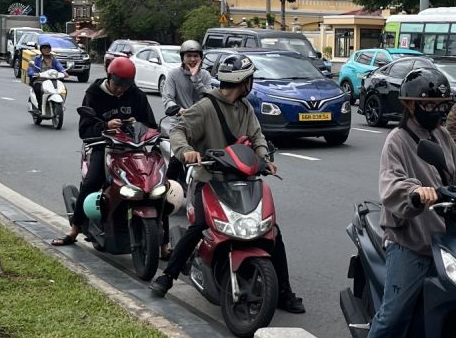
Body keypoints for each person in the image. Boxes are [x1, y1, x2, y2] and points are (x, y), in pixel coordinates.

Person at [149, 52, 305, 312]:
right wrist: (185, 150)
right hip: (210, 181)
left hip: (243, 181)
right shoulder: (205, 107)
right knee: (198, 226)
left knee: (271, 232)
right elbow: (178, 130)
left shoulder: (245, 109)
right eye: (250, 79)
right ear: (244, 82)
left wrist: (264, 158)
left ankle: (284, 291)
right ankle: (167, 277)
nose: (251, 84)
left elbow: (257, 137)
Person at [361, 68, 456, 338]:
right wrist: (415, 193)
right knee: (394, 314)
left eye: (441, 105)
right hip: (411, 240)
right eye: (429, 105)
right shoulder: (397, 140)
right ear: (410, 105)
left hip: (448, 239)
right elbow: (391, 183)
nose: (436, 111)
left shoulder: (443, 137)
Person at [52, 55, 156, 245]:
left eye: (125, 86)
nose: (120, 89)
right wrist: (106, 125)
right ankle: (74, 229)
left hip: (132, 149)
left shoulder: (137, 95)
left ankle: (163, 243)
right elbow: (84, 130)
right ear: (109, 77)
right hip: (104, 147)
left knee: (154, 186)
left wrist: (138, 124)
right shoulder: (94, 94)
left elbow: (151, 124)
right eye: (117, 85)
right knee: (92, 182)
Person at [164, 40, 215, 113]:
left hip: (200, 118)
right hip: (180, 120)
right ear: (183, 58)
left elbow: (209, 99)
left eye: (196, 56)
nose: (192, 59)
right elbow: (168, 98)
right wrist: (178, 109)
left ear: (200, 58)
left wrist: (195, 78)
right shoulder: (173, 74)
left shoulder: (205, 74)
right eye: (189, 56)